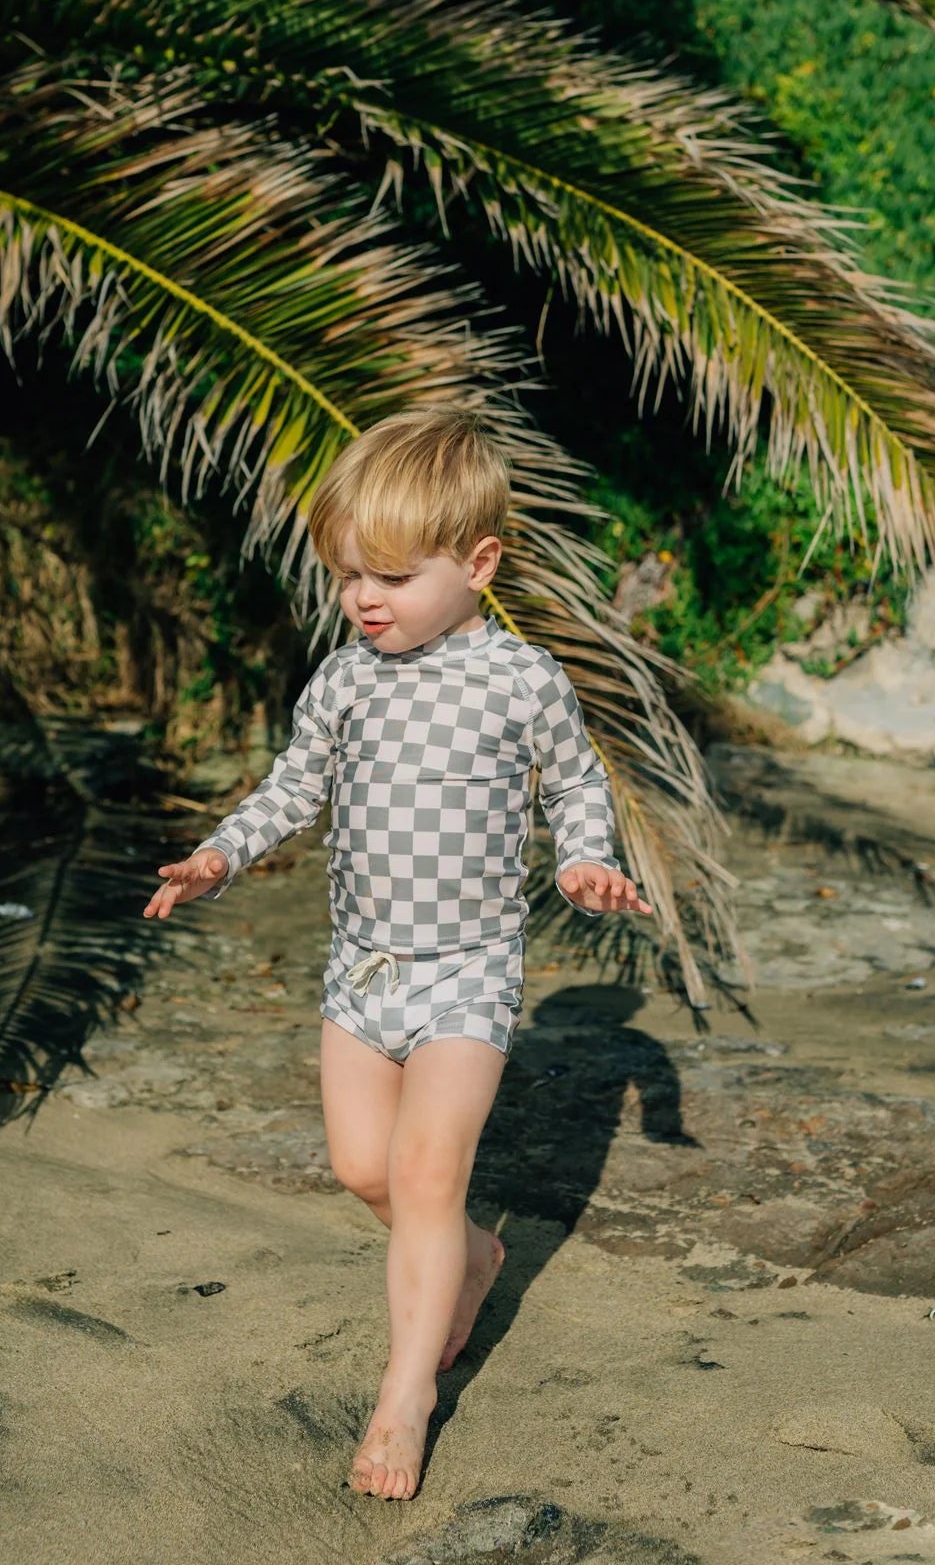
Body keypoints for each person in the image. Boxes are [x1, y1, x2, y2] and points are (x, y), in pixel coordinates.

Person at [142, 408, 651, 1502]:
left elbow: (573, 785)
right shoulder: (343, 681)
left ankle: (405, 1393)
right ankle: (470, 1255)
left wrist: (581, 862)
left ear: (477, 563)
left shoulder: (520, 681)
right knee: (364, 1170)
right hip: (361, 970)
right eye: (346, 577)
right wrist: (218, 856)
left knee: (425, 1172)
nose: (365, 598)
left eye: (389, 575)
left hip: (467, 967)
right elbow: (292, 787)